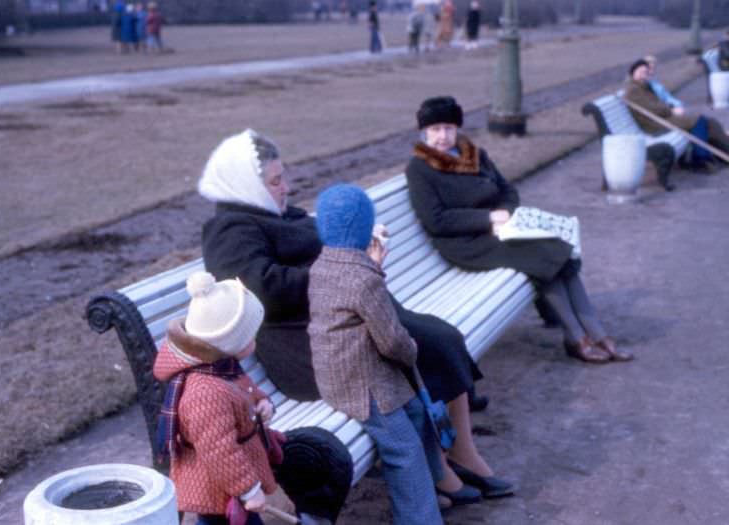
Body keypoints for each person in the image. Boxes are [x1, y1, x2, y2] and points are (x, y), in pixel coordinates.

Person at [198, 129, 513, 507]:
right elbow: (262, 290)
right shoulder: (228, 229)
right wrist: (345, 268)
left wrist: (358, 247)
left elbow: (321, 252)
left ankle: (458, 452)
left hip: (341, 320)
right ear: (244, 183)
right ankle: (441, 471)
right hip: (308, 347)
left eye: (284, 177)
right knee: (423, 344)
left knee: (439, 336)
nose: (286, 187)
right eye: (275, 181)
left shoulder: (266, 212)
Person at [406, 96, 634, 365]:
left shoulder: (475, 155)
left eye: (448, 128)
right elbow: (436, 220)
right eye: (435, 129)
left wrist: (507, 214)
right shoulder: (420, 169)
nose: (442, 136)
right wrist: (489, 218)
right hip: (465, 244)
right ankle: (576, 337)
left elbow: (508, 191)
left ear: (457, 129)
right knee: (542, 257)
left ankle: (597, 334)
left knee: (561, 252)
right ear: (424, 132)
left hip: (502, 231)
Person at [153, 271, 352, 525]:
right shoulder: (205, 394)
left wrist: (262, 403)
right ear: (229, 341)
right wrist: (248, 489)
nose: (255, 339)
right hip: (218, 484)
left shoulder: (220, 366)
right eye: (250, 335)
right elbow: (219, 450)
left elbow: (245, 389)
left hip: (236, 474)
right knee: (219, 521)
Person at [309, 184, 444, 525]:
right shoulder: (362, 278)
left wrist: (373, 268)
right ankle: (419, 519)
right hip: (361, 386)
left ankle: (425, 494)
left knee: (415, 412)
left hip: (339, 373)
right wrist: (413, 351)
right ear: (362, 228)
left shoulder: (323, 264)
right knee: (404, 451)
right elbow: (393, 342)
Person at [624, 59, 729, 168]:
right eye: (640, 72)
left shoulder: (644, 86)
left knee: (709, 122)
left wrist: (670, 108)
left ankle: (723, 152)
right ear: (633, 73)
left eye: (645, 72)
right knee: (697, 120)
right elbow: (652, 109)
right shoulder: (633, 90)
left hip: (662, 118)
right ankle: (700, 158)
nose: (643, 75)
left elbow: (658, 104)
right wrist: (671, 110)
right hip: (654, 123)